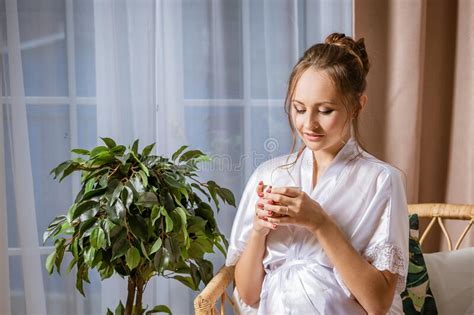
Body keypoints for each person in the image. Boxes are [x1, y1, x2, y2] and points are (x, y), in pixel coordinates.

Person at [226, 33, 409, 315]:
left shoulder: (382, 180)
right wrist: (259, 232)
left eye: (325, 110)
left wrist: (320, 222)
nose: (308, 124)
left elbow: (377, 303)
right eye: (299, 109)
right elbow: (249, 296)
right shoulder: (271, 174)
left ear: (358, 105)